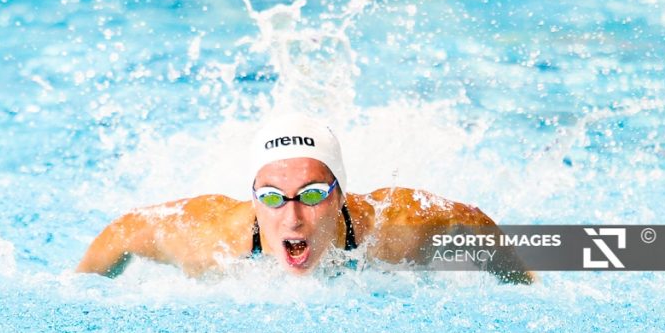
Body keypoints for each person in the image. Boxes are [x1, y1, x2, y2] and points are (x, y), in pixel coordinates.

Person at [76, 116, 533, 284]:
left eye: (312, 194)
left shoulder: (398, 229)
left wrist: (524, 284)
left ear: (340, 196)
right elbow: (125, 231)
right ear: (253, 198)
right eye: (272, 197)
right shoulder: (209, 241)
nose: (292, 218)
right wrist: (79, 285)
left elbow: (474, 222)